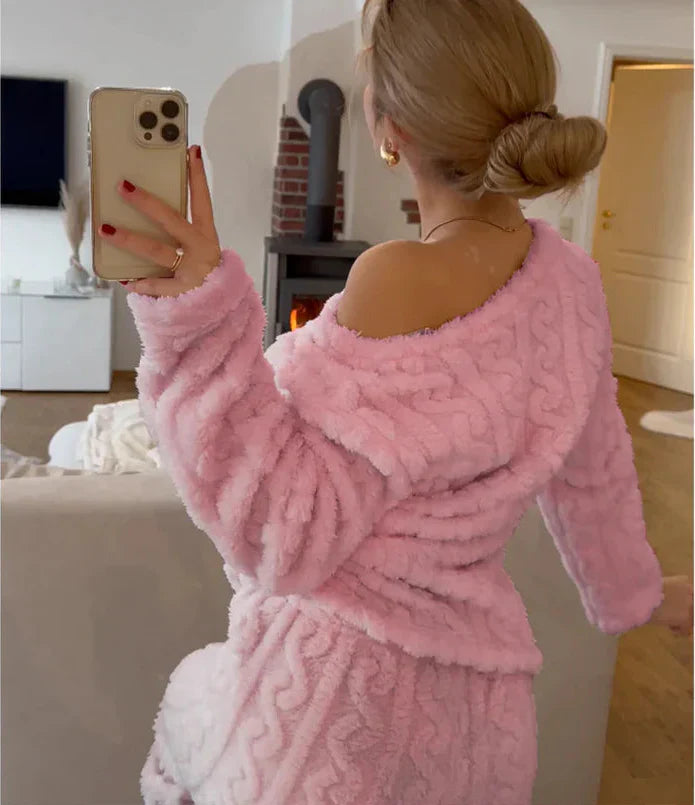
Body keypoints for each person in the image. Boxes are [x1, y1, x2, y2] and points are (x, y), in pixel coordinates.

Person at [99, 0, 692, 802]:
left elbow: (282, 535)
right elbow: (595, 476)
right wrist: (638, 595)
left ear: (388, 127)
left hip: (336, 720)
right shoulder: (571, 283)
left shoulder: (396, 279)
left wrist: (195, 321)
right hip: (480, 724)